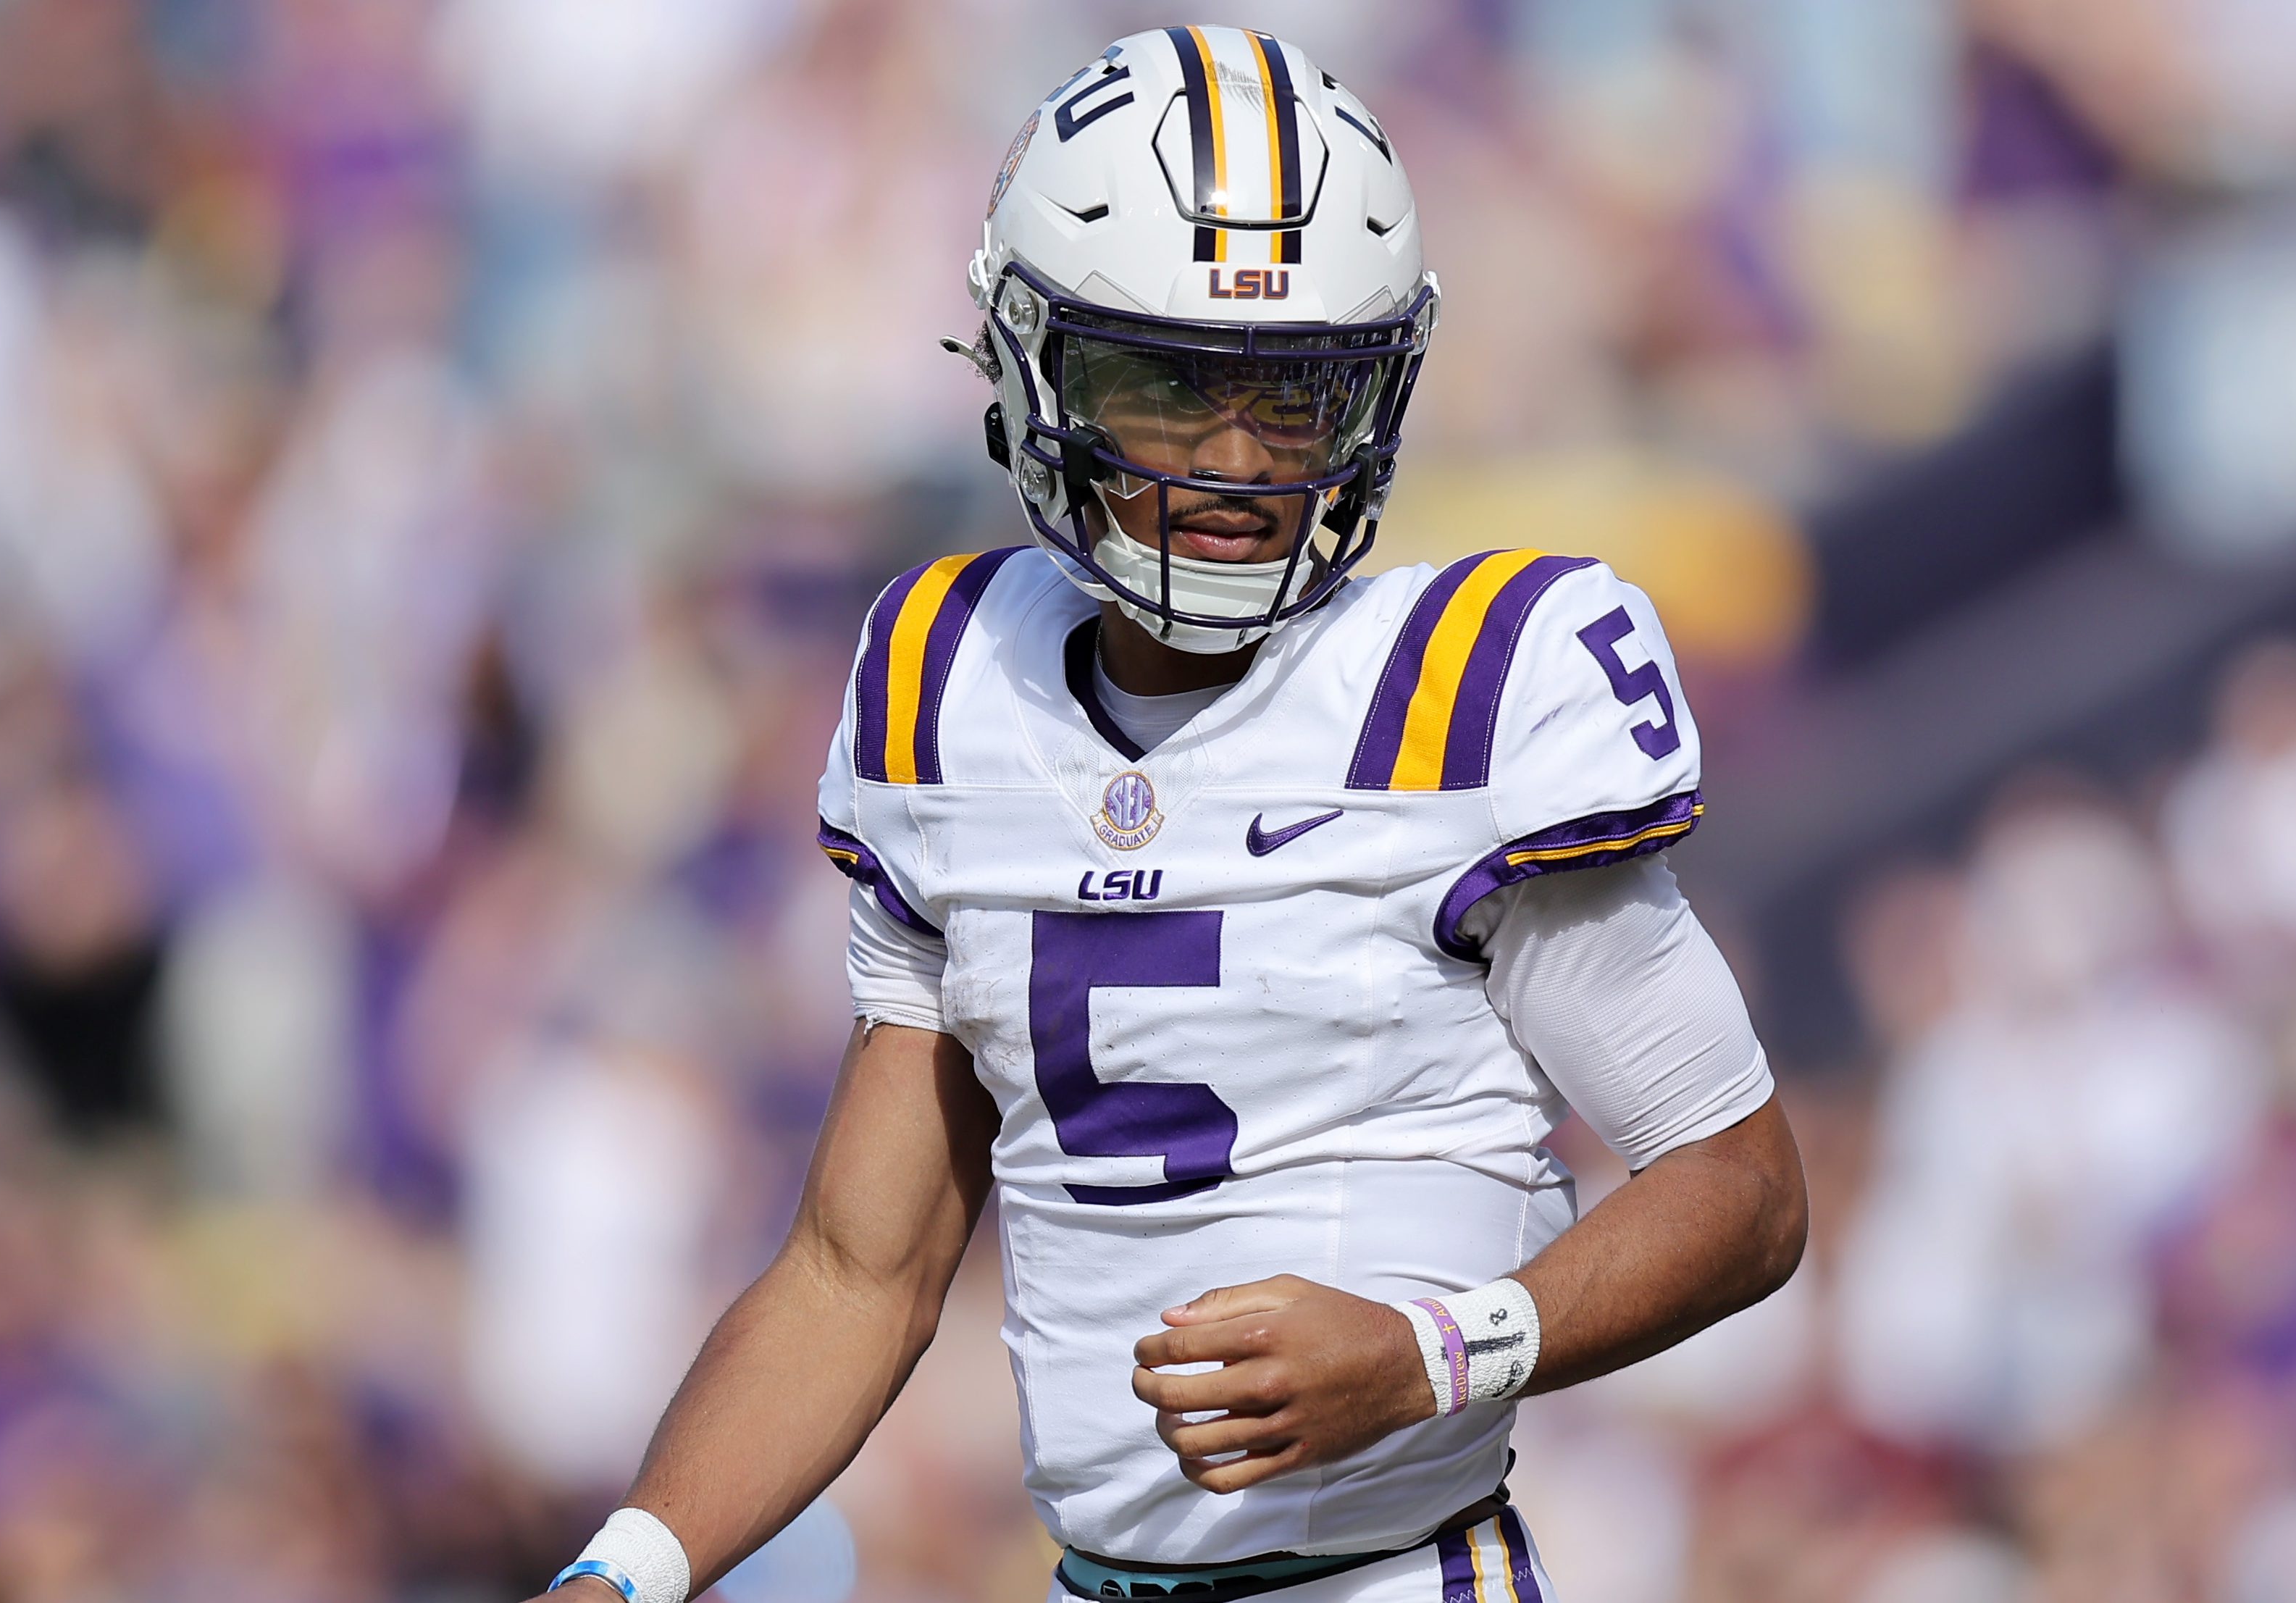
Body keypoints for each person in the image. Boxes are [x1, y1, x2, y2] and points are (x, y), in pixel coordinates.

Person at [528, 28, 1807, 1603]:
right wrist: (628, 1573)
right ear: (1031, 369)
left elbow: (1740, 1189)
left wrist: (1434, 1354)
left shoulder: (1474, 691)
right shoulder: (951, 682)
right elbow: (860, 1270)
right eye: (1165, 385)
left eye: (1293, 395)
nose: (1230, 460)